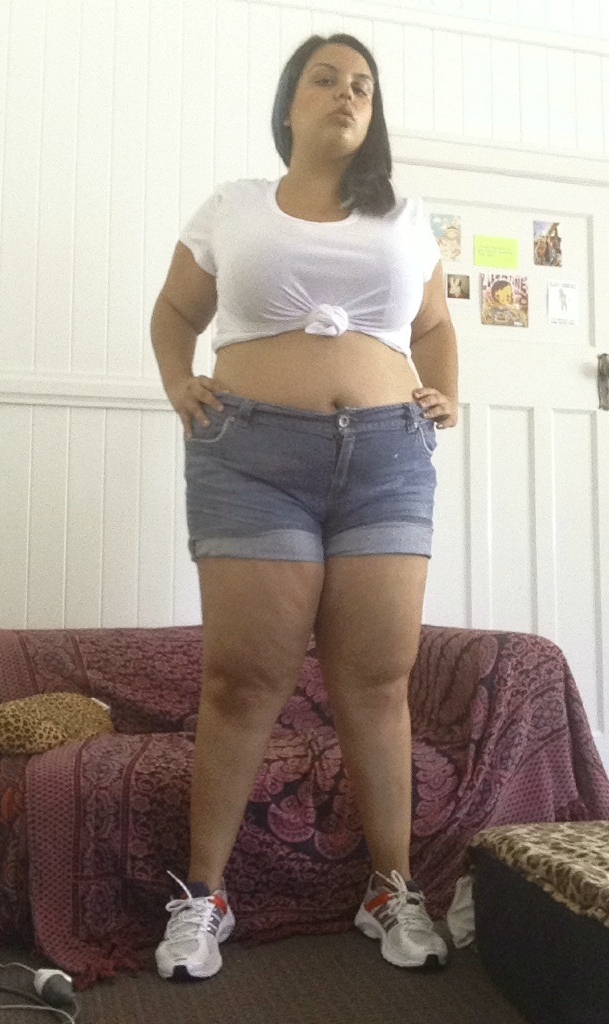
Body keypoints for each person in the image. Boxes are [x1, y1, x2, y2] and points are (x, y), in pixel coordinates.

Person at [150, 32, 459, 982]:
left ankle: (390, 890)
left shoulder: (407, 217)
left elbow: (434, 326)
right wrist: (178, 383)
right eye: (326, 78)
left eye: (363, 84)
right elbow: (175, 313)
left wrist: (448, 392)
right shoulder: (234, 206)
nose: (347, 93)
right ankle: (204, 898)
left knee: (378, 682)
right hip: (252, 459)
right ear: (290, 103)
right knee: (244, 681)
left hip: (387, 459)